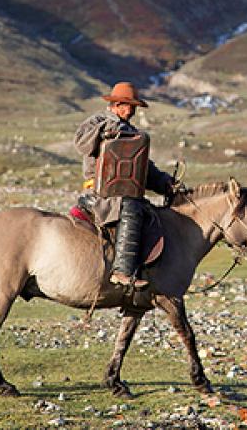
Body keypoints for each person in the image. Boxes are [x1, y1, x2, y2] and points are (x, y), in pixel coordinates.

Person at [74, 82, 173, 289]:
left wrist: (165, 183)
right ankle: (122, 271)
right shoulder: (97, 122)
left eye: (134, 106)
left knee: (147, 210)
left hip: (122, 192)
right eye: (130, 106)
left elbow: (143, 166)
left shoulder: (132, 131)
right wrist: (104, 131)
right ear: (118, 105)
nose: (133, 111)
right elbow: (81, 144)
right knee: (131, 209)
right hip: (99, 192)